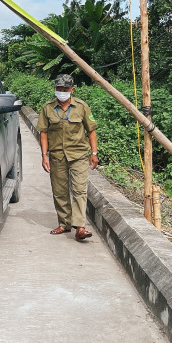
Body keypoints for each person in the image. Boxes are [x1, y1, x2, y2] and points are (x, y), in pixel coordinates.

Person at [36, 73, 98, 242]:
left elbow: (91, 130)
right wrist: (44, 155)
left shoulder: (82, 106)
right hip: (57, 155)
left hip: (78, 155)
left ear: (72, 89)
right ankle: (64, 224)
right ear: (54, 89)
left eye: (65, 89)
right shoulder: (47, 108)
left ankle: (80, 227)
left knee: (79, 190)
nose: (61, 92)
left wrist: (94, 153)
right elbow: (43, 132)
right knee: (59, 191)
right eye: (58, 89)